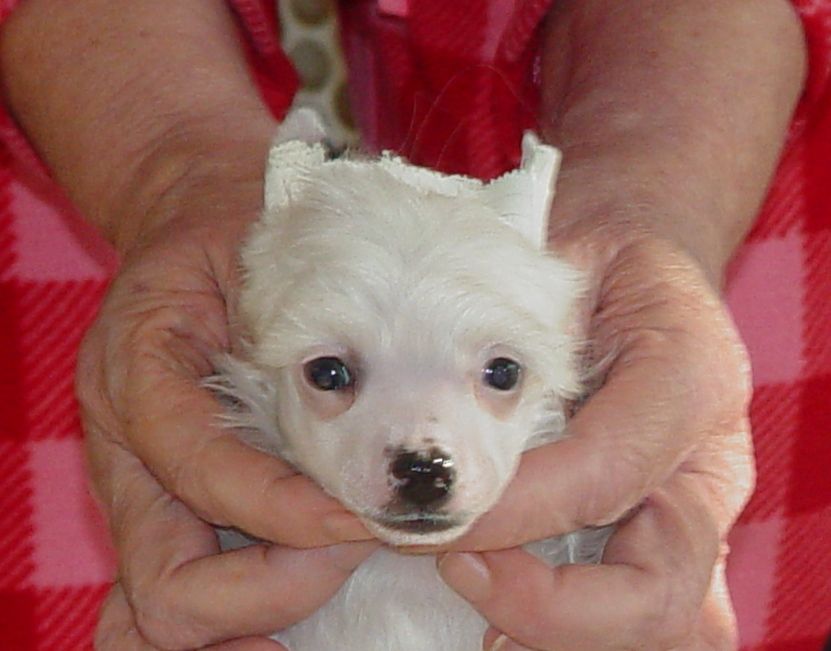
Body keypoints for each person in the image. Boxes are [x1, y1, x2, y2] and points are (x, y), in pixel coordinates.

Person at [0, 0, 825, 649]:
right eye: (332, 375)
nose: (422, 451)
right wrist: (170, 175)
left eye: (499, 375)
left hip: (726, 179)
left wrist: (654, 196)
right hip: (90, 189)